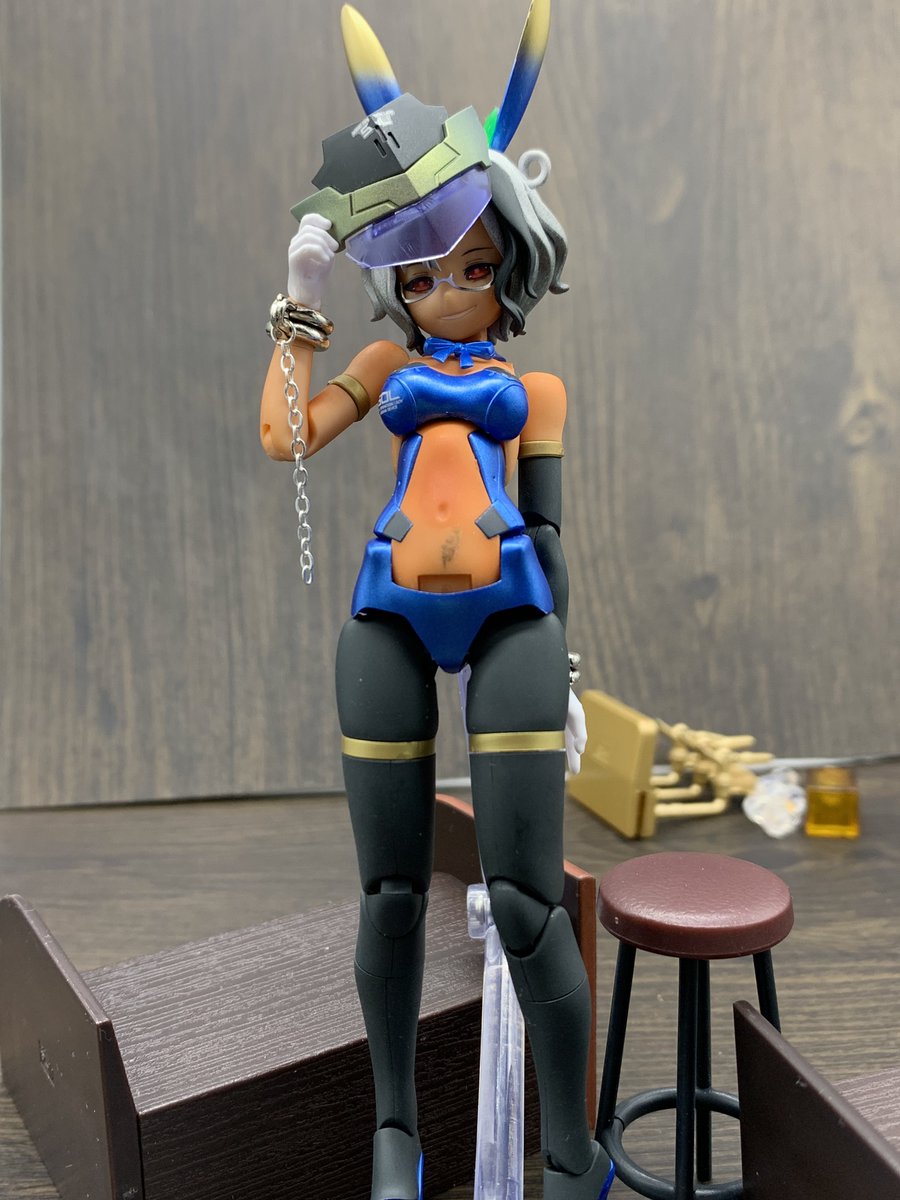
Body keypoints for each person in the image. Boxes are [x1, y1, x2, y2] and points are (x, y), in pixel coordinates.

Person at [260, 6, 613, 1199]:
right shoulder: (382, 365)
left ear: (512, 261)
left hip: (513, 619)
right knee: (392, 893)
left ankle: (571, 1153)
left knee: (526, 898)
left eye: (472, 265)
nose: (450, 289)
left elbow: (549, 533)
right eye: (422, 271)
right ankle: (395, 1137)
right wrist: (300, 298)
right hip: (390, 618)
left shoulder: (537, 387)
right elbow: (286, 437)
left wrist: (565, 663)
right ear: (396, 280)